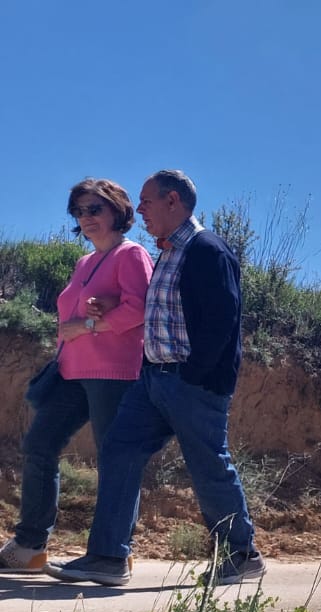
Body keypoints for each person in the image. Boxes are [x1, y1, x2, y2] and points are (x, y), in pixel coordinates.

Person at [49, 170, 261, 587]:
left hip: (190, 382)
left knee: (207, 466)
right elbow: (158, 310)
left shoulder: (207, 250)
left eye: (146, 201)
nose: (140, 210)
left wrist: (195, 377)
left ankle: (242, 554)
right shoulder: (167, 251)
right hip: (153, 379)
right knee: (119, 450)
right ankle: (108, 557)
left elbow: (223, 324)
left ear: (173, 201)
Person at [1, 180, 153, 574]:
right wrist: (94, 314)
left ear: (117, 211)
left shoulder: (132, 254)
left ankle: (112, 554)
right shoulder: (85, 262)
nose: (86, 218)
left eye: (94, 209)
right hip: (71, 373)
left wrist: (87, 325)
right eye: (79, 211)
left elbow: (140, 310)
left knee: (114, 460)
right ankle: (30, 545)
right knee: (39, 445)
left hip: (114, 374)